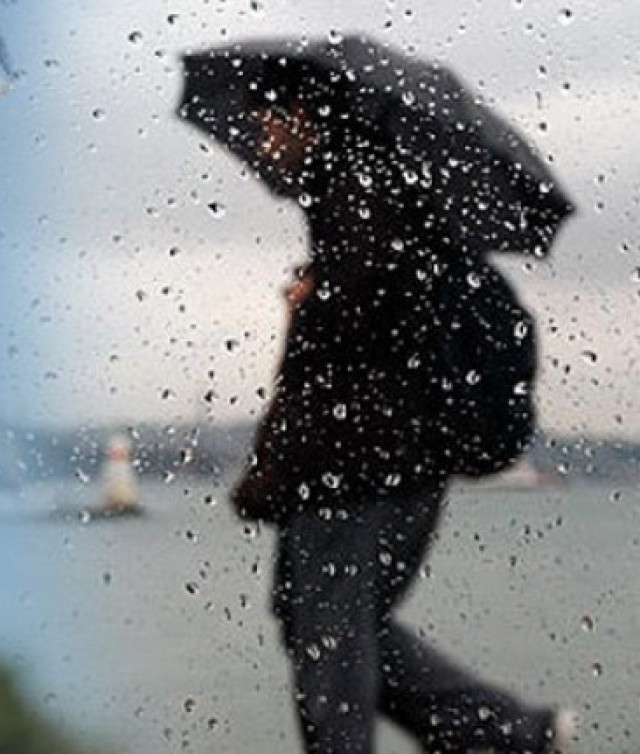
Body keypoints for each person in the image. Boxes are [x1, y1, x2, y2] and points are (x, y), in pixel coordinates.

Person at [229, 95, 576, 753]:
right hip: (390, 459)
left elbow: (369, 324)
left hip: (358, 462)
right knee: (327, 621)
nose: (257, 133)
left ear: (305, 112)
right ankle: (514, 735)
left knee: (330, 636)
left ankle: (513, 736)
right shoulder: (363, 191)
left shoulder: (360, 187)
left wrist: (315, 297)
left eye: (264, 117)